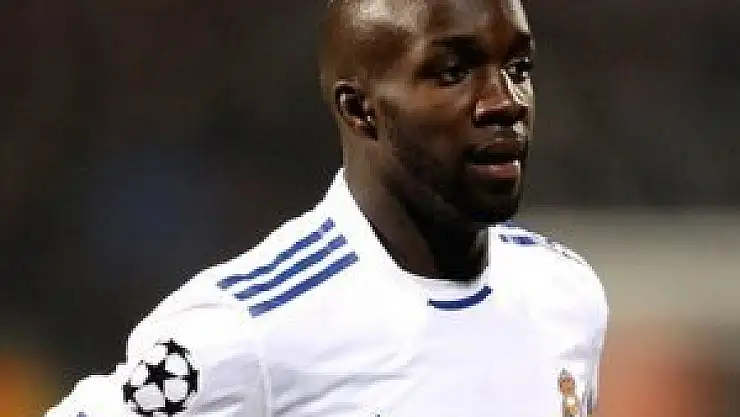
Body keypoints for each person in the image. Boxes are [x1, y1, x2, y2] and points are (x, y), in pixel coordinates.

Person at [47, 0, 608, 416]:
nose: (505, 102)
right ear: (360, 110)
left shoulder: (566, 294)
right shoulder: (250, 328)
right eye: (452, 72)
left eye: (518, 68)